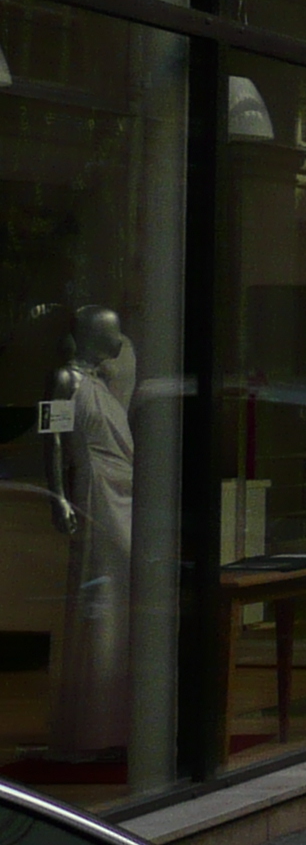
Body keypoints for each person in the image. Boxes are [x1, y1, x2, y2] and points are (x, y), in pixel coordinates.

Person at [49, 306, 136, 760]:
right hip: (95, 491)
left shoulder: (105, 384)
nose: (120, 342)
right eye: (113, 334)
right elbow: (55, 440)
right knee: (99, 598)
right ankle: (89, 727)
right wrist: (58, 495)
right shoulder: (68, 381)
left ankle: (113, 722)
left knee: (119, 601)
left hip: (123, 491)